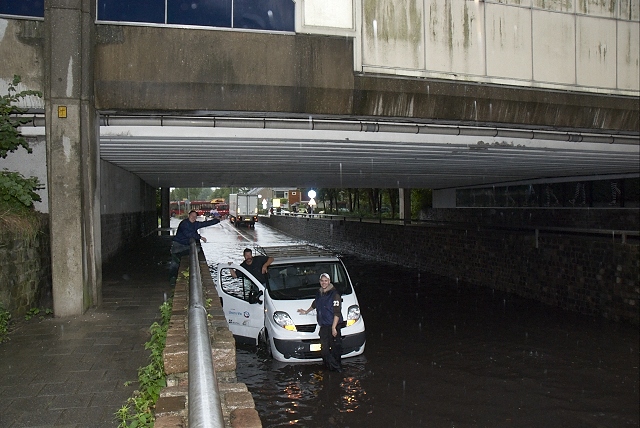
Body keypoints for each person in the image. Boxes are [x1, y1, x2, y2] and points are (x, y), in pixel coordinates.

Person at [298, 273, 343, 372]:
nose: (324, 283)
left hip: (333, 325)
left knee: (335, 349)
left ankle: (338, 370)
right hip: (324, 326)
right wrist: (306, 311)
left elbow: (337, 312)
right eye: (322, 281)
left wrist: (334, 327)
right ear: (320, 282)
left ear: (329, 281)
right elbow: (315, 303)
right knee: (324, 350)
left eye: (325, 281)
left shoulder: (335, 295)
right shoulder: (319, 293)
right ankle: (331, 368)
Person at [169, 210, 220, 285]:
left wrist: (217, 220)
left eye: (195, 217)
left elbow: (205, 223)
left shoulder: (195, 224)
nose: (193, 218)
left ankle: (175, 272)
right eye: (192, 216)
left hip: (185, 246)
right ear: (188, 216)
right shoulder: (184, 223)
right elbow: (188, 234)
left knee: (195, 250)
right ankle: (172, 278)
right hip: (178, 245)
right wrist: (200, 237)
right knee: (175, 263)